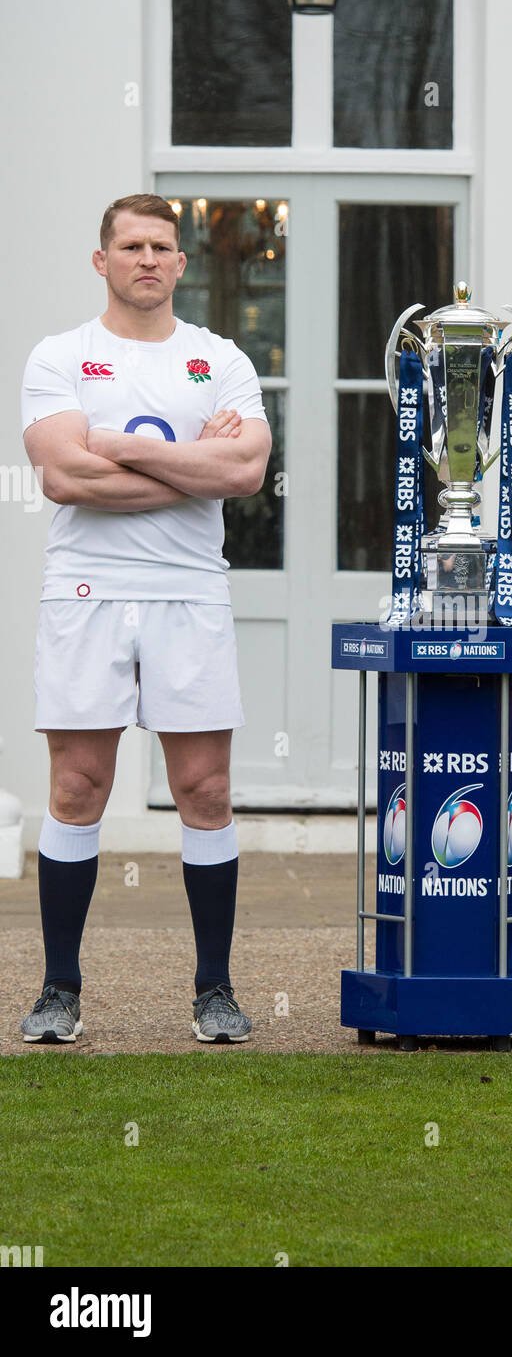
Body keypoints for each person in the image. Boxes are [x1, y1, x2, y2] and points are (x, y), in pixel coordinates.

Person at [19, 193, 272, 1045]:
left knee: (204, 790)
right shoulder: (60, 356)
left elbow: (244, 474)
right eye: (131, 247)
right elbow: (63, 479)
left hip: (190, 589)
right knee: (77, 788)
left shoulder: (220, 359)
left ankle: (215, 990)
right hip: (87, 588)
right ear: (103, 260)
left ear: (182, 261)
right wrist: (191, 466)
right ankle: (59, 988)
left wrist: (121, 446)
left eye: (163, 246)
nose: (148, 260)